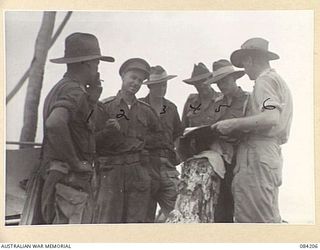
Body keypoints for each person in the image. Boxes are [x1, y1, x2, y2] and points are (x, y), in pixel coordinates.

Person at [20, 32, 115, 224]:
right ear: (86, 64)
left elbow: (76, 126)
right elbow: (55, 123)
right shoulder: (73, 90)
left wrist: (91, 99)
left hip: (60, 178)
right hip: (69, 181)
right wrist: (75, 162)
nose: (97, 70)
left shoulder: (63, 88)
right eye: (96, 64)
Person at [212, 37, 293, 223]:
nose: (244, 69)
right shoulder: (276, 81)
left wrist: (233, 124)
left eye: (243, 64)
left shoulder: (265, 81)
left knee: (253, 221)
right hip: (267, 154)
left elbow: (271, 117)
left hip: (257, 156)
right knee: (266, 217)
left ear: (250, 59)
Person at [94, 58, 165, 223]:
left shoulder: (146, 111)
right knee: (107, 222)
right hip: (111, 173)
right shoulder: (105, 107)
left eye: (140, 81)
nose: (136, 83)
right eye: (133, 77)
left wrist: (141, 143)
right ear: (123, 76)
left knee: (135, 223)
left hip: (137, 171)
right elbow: (92, 142)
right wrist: (107, 132)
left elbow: (160, 138)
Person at [167, 63, 224, 223]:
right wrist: (181, 154)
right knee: (190, 204)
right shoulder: (191, 100)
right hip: (193, 160)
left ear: (211, 79)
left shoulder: (221, 99)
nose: (201, 85)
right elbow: (181, 129)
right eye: (197, 83)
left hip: (216, 158)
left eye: (204, 81)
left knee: (214, 203)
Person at [205, 59, 250, 222]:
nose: (222, 85)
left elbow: (252, 128)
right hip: (221, 161)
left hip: (242, 159)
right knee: (220, 206)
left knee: (242, 206)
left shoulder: (248, 99)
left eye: (225, 80)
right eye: (218, 83)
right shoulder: (217, 103)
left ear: (234, 78)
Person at [139, 65, 183, 222]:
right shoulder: (138, 107)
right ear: (150, 86)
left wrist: (177, 153)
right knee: (143, 218)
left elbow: (179, 134)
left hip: (167, 167)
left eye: (164, 84)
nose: (162, 88)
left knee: (180, 213)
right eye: (158, 85)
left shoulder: (171, 108)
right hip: (143, 167)